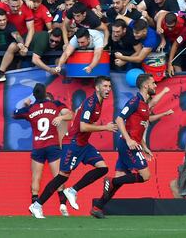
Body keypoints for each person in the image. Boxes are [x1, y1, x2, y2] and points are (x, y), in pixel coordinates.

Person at [29, 76, 118, 218]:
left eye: (109, 86)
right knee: (62, 177)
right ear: (97, 88)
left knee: (103, 168)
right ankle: (37, 205)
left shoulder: (97, 102)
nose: (108, 89)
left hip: (83, 144)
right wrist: (105, 128)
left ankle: (73, 190)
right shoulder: (91, 103)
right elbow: (83, 127)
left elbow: (79, 114)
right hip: (73, 144)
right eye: (105, 86)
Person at [90, 74, 168, 218]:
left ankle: (97, 207)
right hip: (128, 144)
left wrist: (144, 146)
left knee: (120, 179)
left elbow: (139, 128)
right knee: (145, 176)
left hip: (131, 143)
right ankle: (111, 181)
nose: (155, 86)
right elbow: (119, 119)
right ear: (145, 86)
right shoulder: (135, 101)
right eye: (153, 83)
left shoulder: (144, 104)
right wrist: (129, 140)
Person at [13, 83, 73, 216]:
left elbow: (14, 114)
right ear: (46, 93)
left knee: (36, 177)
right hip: (53, 145)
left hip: (38, 147)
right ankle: (63, 205)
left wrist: (25, 105)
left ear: (34, 96)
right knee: (58, 177)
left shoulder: (30, 109)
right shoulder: (55, 104)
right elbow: (70, 115)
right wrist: (60, 117)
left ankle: (35, 205)